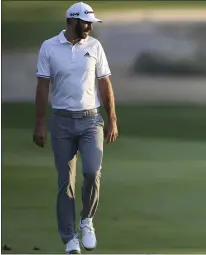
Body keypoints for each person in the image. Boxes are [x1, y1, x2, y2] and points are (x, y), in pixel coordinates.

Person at [33, 2, 118, 254]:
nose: (90, 27)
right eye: (86, 22)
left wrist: (112, 118)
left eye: (91, 22)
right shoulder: (49, 47)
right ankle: (70, 237)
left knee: (92, 172)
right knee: (65, 181)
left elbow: (104, 83)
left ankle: (87, 220)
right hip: (61, 121)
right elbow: (42, 87)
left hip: (91, 120)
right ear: (72, 21)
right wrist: (39, 122)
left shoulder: (95, 46)